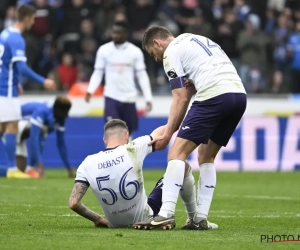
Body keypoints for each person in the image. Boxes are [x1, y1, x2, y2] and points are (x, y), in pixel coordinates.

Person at [133, 26, 247, 230]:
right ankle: (199, 219)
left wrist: (168, 134)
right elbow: (198, 79)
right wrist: (193, 85)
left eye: (153, 54)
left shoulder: (170, 52)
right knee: (206, 156)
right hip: (238, 96)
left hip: (214, 95)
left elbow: (180, 97)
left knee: (176, 154)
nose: (157, 59)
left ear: (157, 43)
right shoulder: (195, 39)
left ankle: (165, 214)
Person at [68, 119, 199, 229]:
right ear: (127, 135)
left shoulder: (87, 163)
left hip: (115, 224)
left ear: (104, 140)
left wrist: (97, 219)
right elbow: (163, 133)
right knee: (183, 166)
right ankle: (193, 219)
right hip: (146, 217)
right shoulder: (133, 148)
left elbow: (73, 203)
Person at [0, 4, 56, 179]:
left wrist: (16, 81)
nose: (34, 22)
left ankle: (11, 169)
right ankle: (11, 169)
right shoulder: (17, 39)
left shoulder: (5, 33)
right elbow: (22, 67)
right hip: (6, 88)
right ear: (26, 18)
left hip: (7, 83)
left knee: (3, 126)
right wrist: (43, 80)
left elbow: (8, 63)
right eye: (33, 18)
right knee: (12, 125)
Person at [85, 21, 153, 136]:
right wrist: (90, 90)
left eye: (118, 33)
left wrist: (148, 97)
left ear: (125, 33)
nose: (115, 35)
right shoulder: (104, 50)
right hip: (112, 96)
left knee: (128, 133)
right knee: (113, 130)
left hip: (129, 97)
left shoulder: (135, 52)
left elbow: (141, 75)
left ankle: (127, 153)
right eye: (114, 32)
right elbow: (98, 72)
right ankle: (113, 152)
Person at [13, 96, 73, 179]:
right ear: (58, 110)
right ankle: (31, 167)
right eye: (65, 112)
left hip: (20, 133)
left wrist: (68, 167)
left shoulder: (60, 118)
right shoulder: (42, 111)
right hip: (12, 125)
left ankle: (29, 168)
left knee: (20, 171)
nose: (67, 115)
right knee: (42, 130)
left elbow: (61, 144)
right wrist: (39, 163)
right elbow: (34, 139)